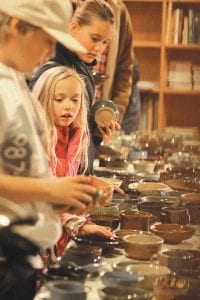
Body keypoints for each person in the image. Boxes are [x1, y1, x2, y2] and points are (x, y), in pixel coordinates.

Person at [0, 0, 111, 298]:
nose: (50, 51)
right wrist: (50, 191)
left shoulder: (16, 82)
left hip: (23, 260)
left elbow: (18, 174)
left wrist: (65, 197)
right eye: (47, 39)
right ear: (17, 26)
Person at [29, 0, 120, 174]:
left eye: (105, 43)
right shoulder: (54, 72)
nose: (99, 48)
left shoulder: (82, 69)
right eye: (95, 39)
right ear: (73, 27)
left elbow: (75, 136)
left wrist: (96, 132)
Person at [32, 66, 113, 258]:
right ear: (43, 99)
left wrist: (89, 184)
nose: (69, 106)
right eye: (59, 99)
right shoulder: (38, 140)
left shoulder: (77, 135)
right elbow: (42, 198)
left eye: (75, 100)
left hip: (61, 233)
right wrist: (77, 224)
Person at [90, 0, 134, 125]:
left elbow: (125, 71)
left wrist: (114, 115)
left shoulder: (120, 12)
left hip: (99, 115)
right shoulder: (70, 5)